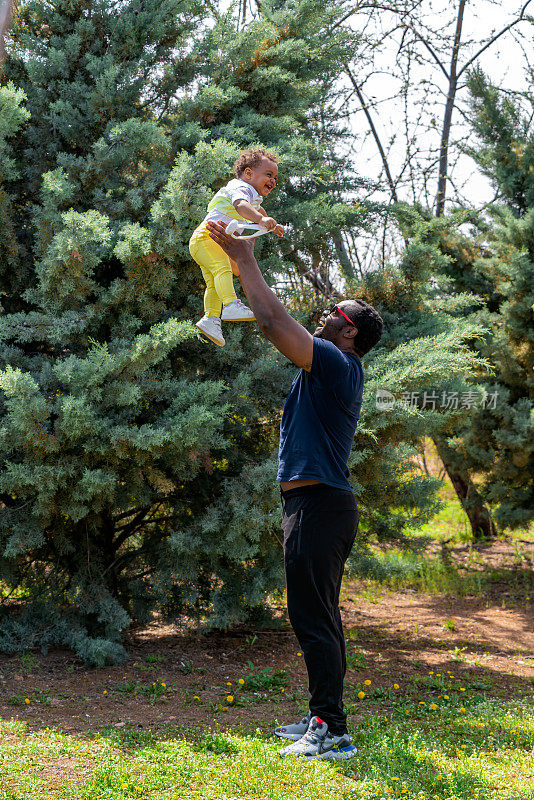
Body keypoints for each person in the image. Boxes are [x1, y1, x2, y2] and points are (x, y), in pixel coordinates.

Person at [206, 220, 384, 761]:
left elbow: (270, 317)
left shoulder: (336, 361)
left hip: (320, 505)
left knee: (313, 619)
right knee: (318, 616)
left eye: (336, 312)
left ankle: (332, 731)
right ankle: (321, 717)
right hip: (312, 504)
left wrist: (243, 259)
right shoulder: (328, 367)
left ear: (349, 331)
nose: (327, 312)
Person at [189, 147, 284, 348]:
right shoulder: (240, 188)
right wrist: (262, 219)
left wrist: (271, 224)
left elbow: (257, 208)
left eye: (275, 177)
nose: (273, 180)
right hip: (206, 237)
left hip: (206, 241)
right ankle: (231, 304)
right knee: (222, 268)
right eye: (268, 175)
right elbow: (242, 206)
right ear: (248, 173)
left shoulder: (253, 195)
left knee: (214, 282)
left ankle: (211, 319)